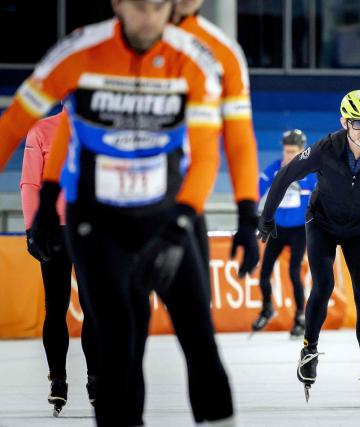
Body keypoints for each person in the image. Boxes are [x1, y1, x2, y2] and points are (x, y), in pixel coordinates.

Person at [0, 0, 234, 425]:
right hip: (98, 223)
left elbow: (206, 153)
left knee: (200, 338)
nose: (150, 17)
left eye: (159, 6)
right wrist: (49, 201)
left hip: (165, 215)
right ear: (118, 5)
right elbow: (18, 125)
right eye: (139, 6)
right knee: (117, 343)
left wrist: (184, 219)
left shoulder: (197, 57)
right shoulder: (80, 51)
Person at [258, 90, 360, 407]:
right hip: (321, 224)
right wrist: (267, 216)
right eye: (357, 122)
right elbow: (285, 175)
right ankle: (309, 347)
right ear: (344, 122)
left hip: (357, 230)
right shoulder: (325, 148)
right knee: (323, 284)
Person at [172, 0, 260, 294]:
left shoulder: (222, 52)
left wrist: (247, 216)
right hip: (112, 203)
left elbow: (239, 141)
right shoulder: (124, 43)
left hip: (184, 200)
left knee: (199, 328)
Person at [20, 112, 98, 416]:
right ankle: (58, 380)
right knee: (56, 306)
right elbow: (30, 182)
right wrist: (31, 229)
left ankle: (96, 379)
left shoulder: (99, 129)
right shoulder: (41, 130)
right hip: (54, 232)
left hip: (91, 231)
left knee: (94, 308)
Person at [252, 129, 317, 338]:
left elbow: (321, 198)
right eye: (286, 151)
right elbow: (257, 191)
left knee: (293, 272)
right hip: (278, 229)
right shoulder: (274, 169)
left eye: (293, 152)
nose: (289, 156)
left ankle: (300, 316)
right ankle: (267, 308)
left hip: (300, 231)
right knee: (263, 273)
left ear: (302, 151)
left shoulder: (309, 173)